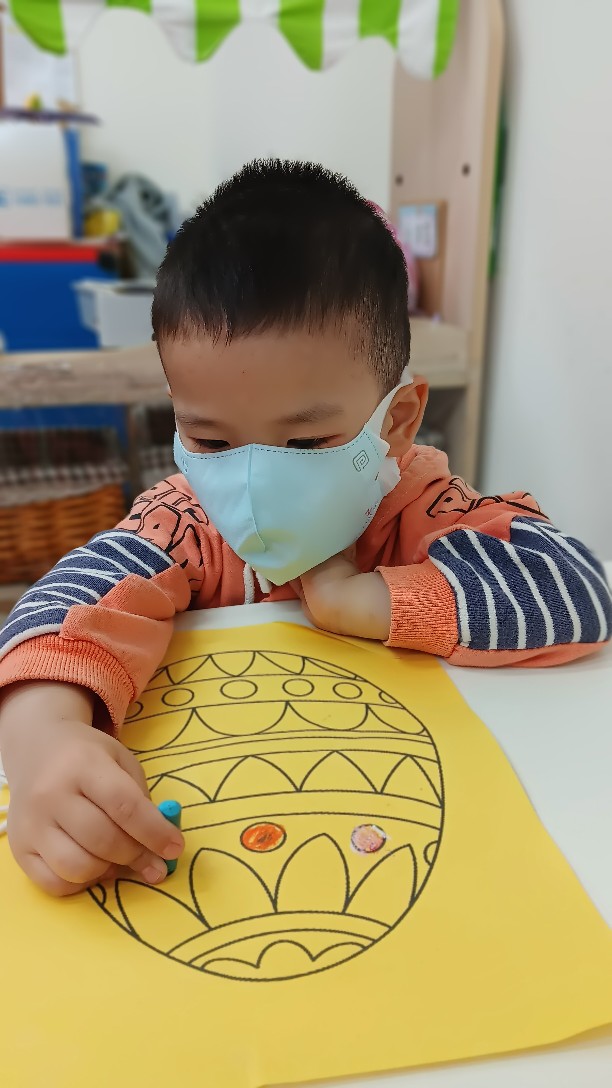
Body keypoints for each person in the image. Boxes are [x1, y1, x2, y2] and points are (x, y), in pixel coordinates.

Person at [0, 160, 610, 897]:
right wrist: (42, 739)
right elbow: (59, 607)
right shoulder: (185, 522)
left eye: (306, 442)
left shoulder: (420, 505)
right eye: (211, 441)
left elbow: (579, 591)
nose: (252, 483)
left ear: (397, 423)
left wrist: (371, 600)